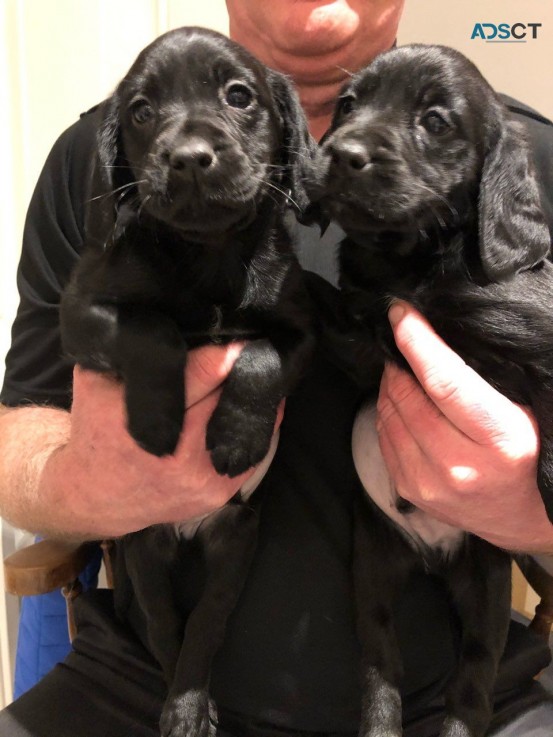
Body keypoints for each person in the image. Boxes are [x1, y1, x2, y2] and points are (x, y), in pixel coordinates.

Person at [0, 1, 552, 735]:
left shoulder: (526, 155)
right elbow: (17, 430)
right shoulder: (101, 157)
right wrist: (79, 482)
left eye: (236, 100)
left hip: (460, 691)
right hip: (143, 681)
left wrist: (536, 517)